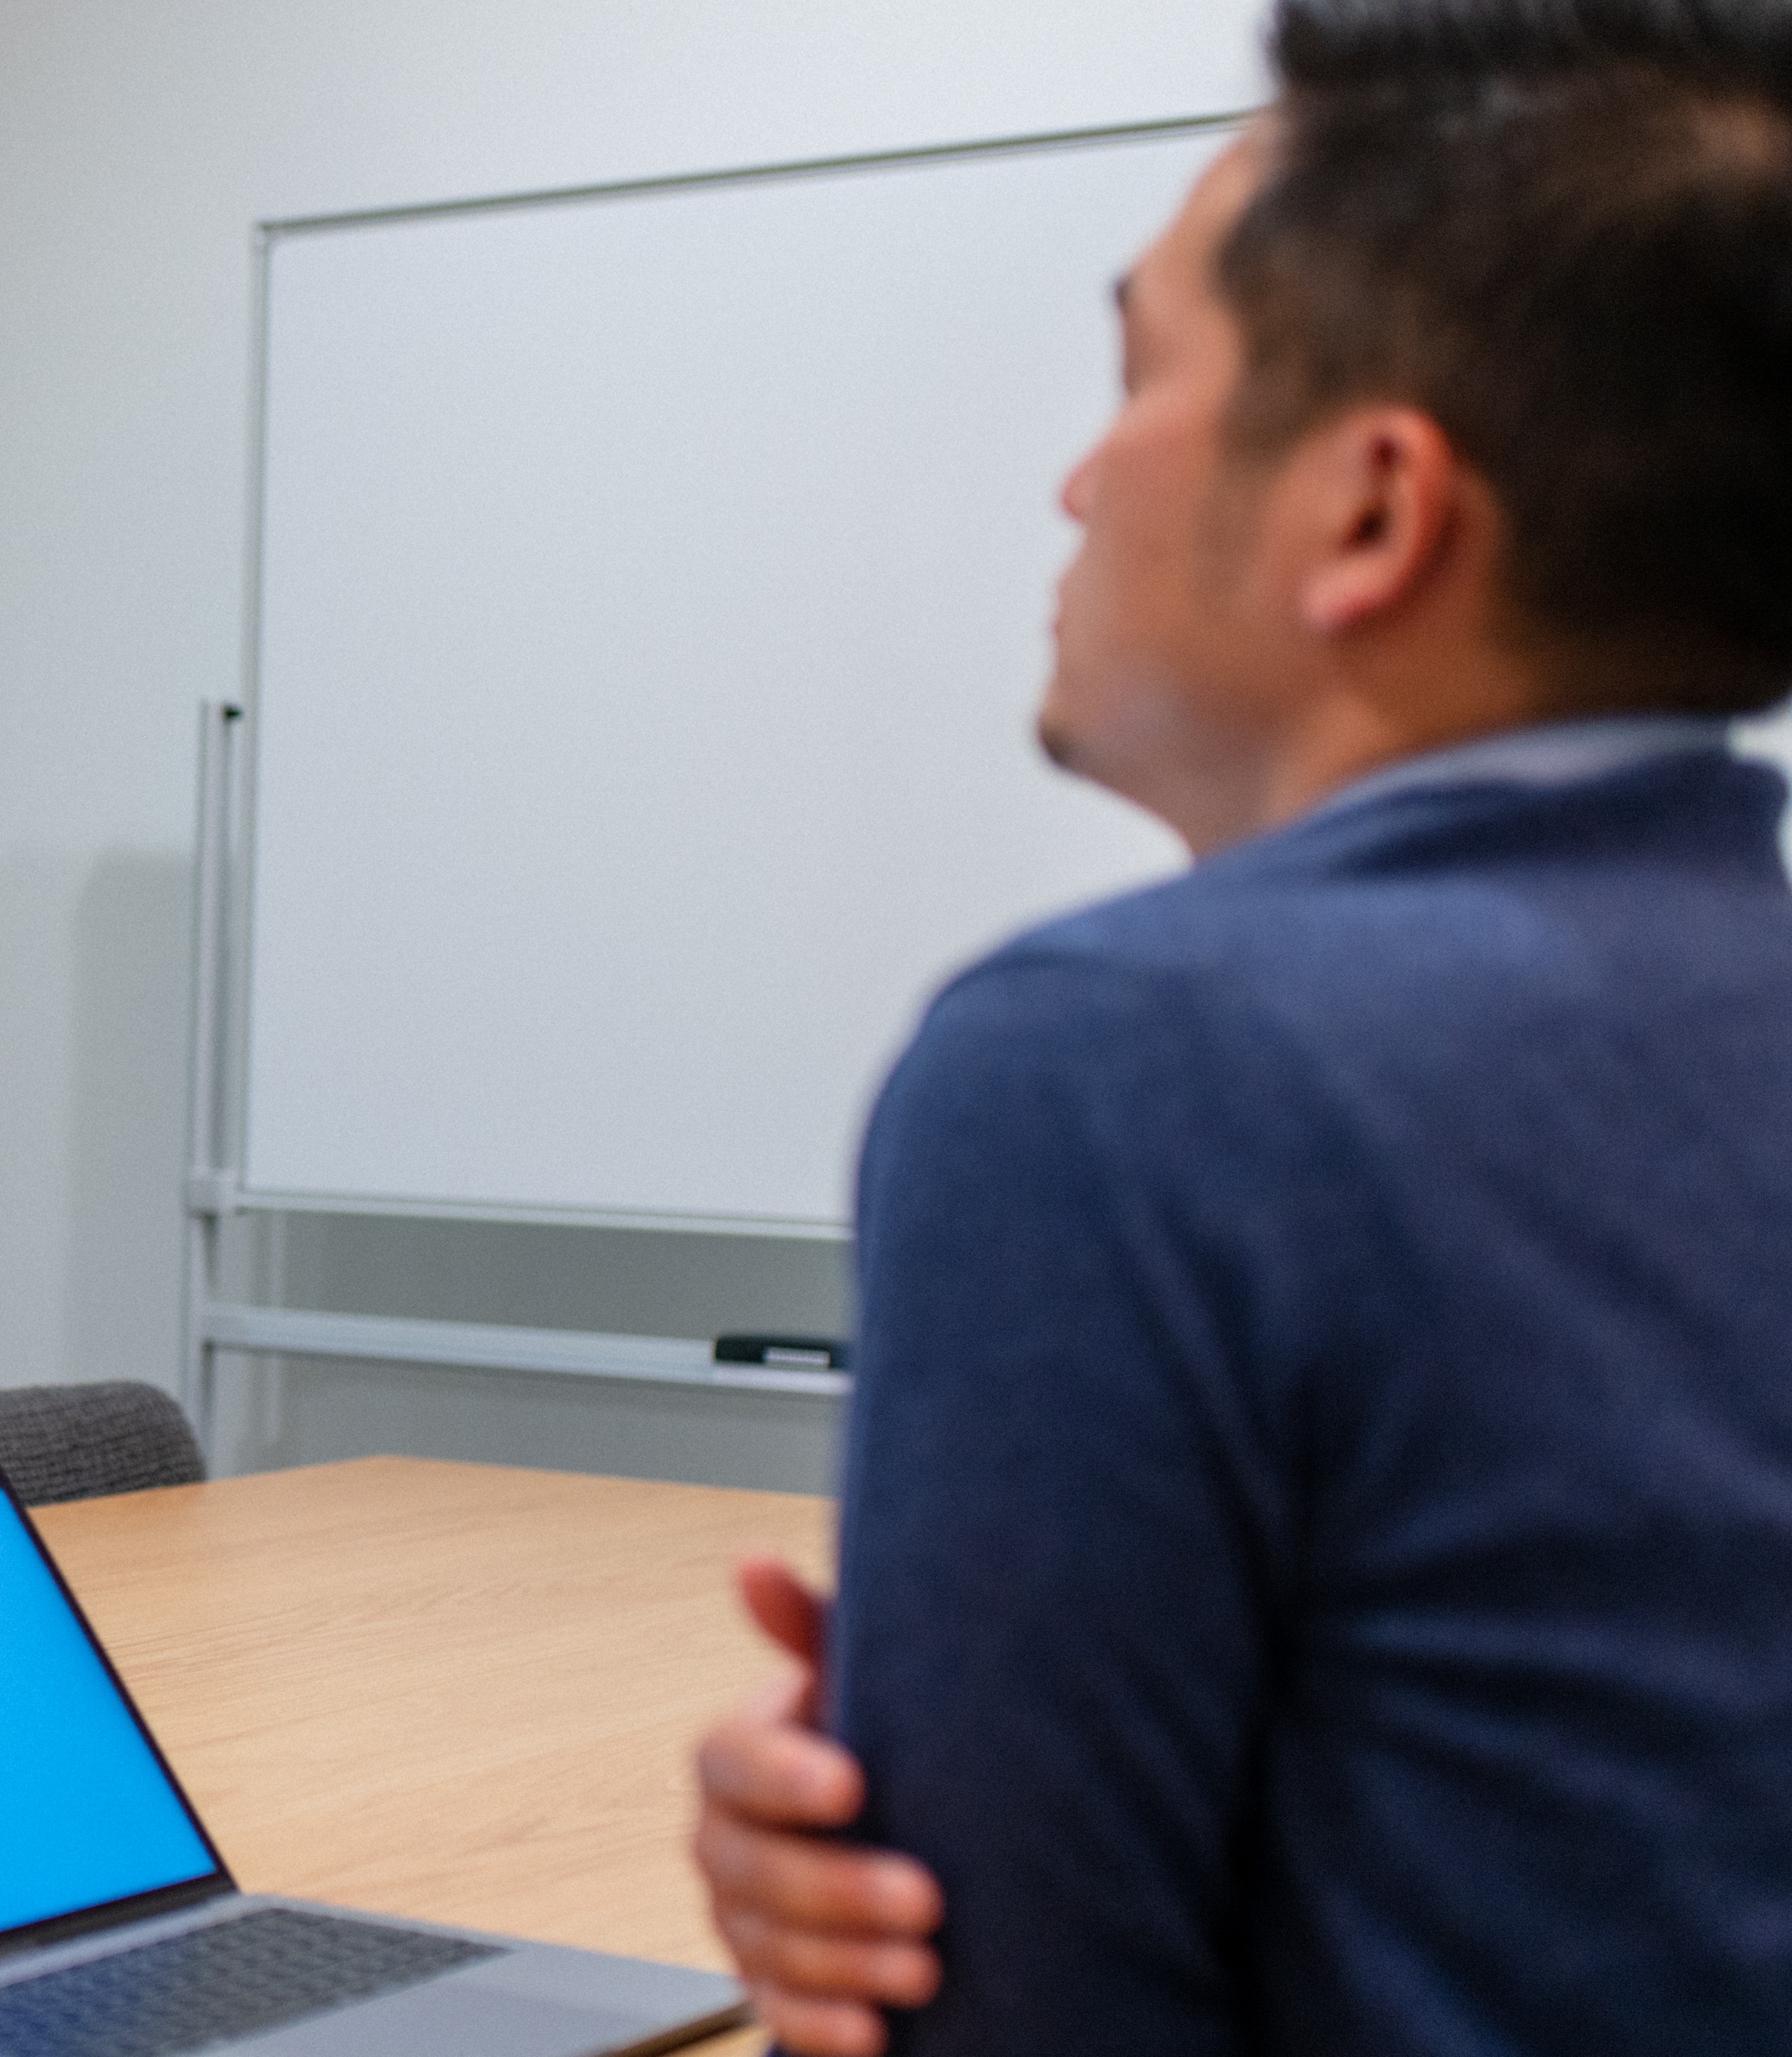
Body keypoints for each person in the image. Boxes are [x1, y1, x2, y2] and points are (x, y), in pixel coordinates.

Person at [684, 2, 1792, 2050]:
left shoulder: (1119, 1071)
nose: (1078, 474)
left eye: (1141, 373)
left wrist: (930, 1831)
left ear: (1371, 510)